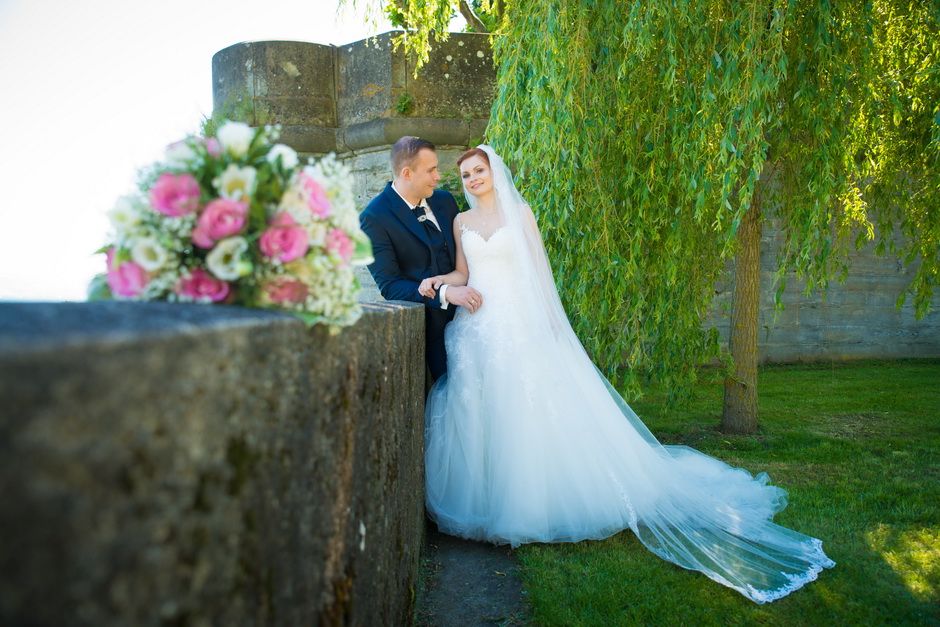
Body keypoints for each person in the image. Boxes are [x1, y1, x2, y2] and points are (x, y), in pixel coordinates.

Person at [417, 145, 835, 604]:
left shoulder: (522, 213)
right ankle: (485, 502)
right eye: (466, 175)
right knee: (485, 414)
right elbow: (462, 270)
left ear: (494, 173)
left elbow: (540, 273)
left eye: (479, 171)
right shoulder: (461, 222)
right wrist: (438, 283)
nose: (473, 179)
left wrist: (553, 324)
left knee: (530, 411)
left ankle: (531, 506)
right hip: (478, 329)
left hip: (521, 325)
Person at [360, 137, 483, 381]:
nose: (438, 176)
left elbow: (465, 254)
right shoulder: (373, 218)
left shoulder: (444, 201)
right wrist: (445, 293)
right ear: (407, 173)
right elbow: (390, 285)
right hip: (433, 330)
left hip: (476, 313)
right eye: (431, 170)